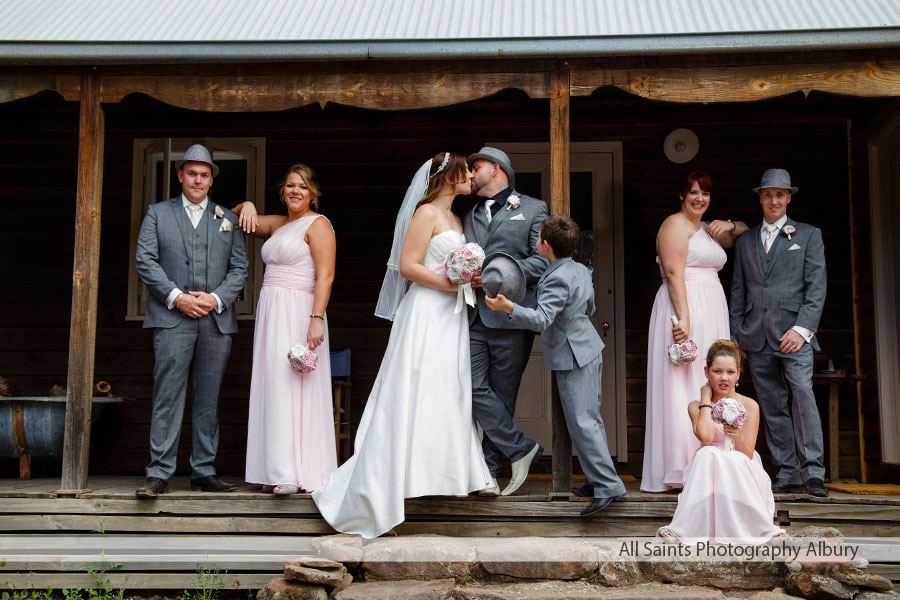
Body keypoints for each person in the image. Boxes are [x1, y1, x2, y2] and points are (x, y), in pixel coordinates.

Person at [312, 152, 492, 538]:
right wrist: (452, 282)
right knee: (411, 392)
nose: (471, 179)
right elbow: (407, 265)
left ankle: (440, 473)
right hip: (426, 313)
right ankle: (377, 493)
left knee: (446, 393)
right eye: (466, 173)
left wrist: (468, 279)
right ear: (448, 178)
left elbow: (448, 266)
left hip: (452, 316)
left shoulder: (457, 218)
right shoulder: (426, 213)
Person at [486, 215, 627, 516]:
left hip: (573, 353)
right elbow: (589, 307)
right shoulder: (578, 269)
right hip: (587, 346)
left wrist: (508, 307)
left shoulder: (557, 277)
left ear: (545, 245)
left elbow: (541, 319)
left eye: (537, 238)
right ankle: (596, 478)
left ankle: (607, 486)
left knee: (582, 421)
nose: (536, 241)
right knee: (589, 418)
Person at [134, 144, 249, 497]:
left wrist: (214, 299)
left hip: (215, 321)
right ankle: (159, 472)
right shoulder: (157, 213)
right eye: (192, 173)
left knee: (208, 397)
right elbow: (145, 260)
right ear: (180, 175)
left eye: (205, 174)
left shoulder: (227, 219)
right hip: (172, 319)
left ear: (211, 179)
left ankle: (203, 470)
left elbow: (240, 268)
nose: (198, 180)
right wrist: (177, 298)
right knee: (168, 395)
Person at [641, 171, 748, 493]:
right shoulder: (673, 224)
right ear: (681, 195)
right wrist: (683, 319)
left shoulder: (707, 228)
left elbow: (743, 232)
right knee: (682, 382)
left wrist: (729, 224)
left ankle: (711, 459)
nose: (699, 199)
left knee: (710, 380)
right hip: (684, 306)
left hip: (712, 308)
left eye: (705, 194)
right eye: (693, 193)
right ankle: (680, 465)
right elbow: (674, 272)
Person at [233, 164, 337, 495]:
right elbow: (235, 215)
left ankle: (295, 471)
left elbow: (326, 275)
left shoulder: (318, 225)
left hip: (299, 311)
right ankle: (274, 468)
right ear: (283, 190)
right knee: (273, 384)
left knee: (295, 385)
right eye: (291, 185)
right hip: (271, 310)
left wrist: (315, 318)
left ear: (313, 194)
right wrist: (246, 205)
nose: (295, 191)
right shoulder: (279, 224)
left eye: (303, 187)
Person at [730, 168, 827, 497]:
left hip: (794, 336)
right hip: (755, 337)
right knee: (771, 403)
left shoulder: (808, 235)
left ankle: (813, 471)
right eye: (768, 194)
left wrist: (802, 329)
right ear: (760, 198)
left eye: (780, 194)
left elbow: (817, 289)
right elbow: (738, 292)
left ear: (789, 198)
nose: (774, 200)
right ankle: (786, 470)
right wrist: (738, 336)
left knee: (802, 396)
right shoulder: (745, 242)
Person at [464, 147, 549, 497]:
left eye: (476, 166)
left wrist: (497, 275)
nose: (470, 172)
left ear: (496, 169)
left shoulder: (532, 208)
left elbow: (542, 261)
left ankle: (488, 471)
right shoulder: (467, 214)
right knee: (470, 387)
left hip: (511, 317)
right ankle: (521, 448)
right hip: (472, 317)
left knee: (502, 396)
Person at [657, 340, 785, 544]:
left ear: (738, 374)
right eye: (717, 371)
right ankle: (682, 530)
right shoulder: (695, 406)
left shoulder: (749, 405)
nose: (724, 378)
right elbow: (707, 438)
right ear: (707, 372)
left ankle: (763, 530)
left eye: (730, 372)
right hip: (708, 467)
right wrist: (705, 398)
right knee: (709, 453)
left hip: (741, 462)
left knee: (720, 456)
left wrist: (737, 434)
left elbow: (747, 452)